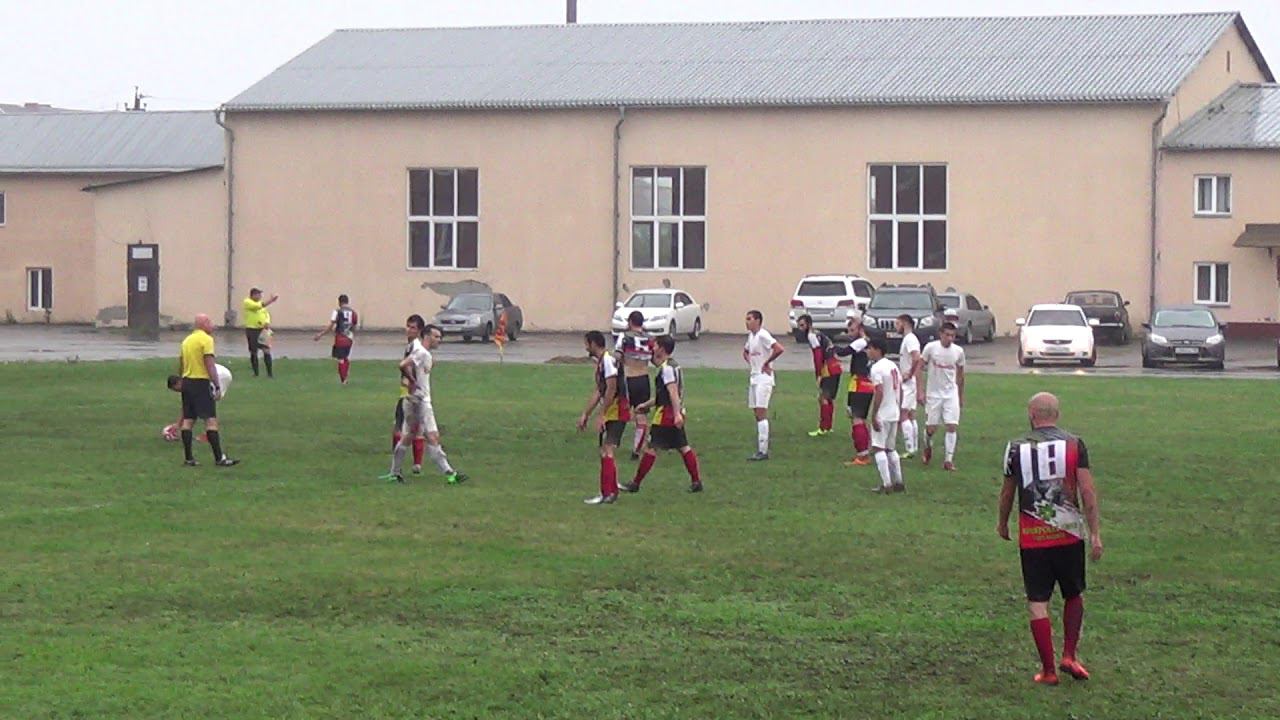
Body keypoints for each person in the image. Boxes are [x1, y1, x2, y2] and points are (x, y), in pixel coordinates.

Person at [998, 392, 1103, 685]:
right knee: (1074, 593)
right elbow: (1087, 491)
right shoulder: (1074, 444)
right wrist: (1095, 533)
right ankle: (1069, 655)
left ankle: (1048, 670)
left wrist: (1002, 523)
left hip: (1033, 537)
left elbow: (1007, 491)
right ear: (1056, 414)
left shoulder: (1015, 447)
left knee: (1038, 601)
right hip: (1069, 533)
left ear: (1032, 414)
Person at [379, 317, 467, 485]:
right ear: (427, 336)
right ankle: (450, 473)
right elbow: (403, 364)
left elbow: (408, 365)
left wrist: (413, 380)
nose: (439, 340)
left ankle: (394, 472)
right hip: (421, 401)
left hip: (412, 399)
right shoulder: (422, 352)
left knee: (408, 436)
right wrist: (413, 381)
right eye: (436, 336)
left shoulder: (420, 350)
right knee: (432, 436)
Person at [621, 334, 702, 494]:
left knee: (650, 448)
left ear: (662, 349)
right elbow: (665, 395)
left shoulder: (667, 369)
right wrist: (646, 405)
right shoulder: (674, 366)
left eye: (656, 345)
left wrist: (676, 414)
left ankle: (635, 483)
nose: (653, 348)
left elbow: (673, 392)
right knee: (683, 447)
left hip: (666, 414)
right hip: (673, 412)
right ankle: (696, 481)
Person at [177, 313, 238, 467]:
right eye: (209, 322)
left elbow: (182, 363)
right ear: (203, 324)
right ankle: (219, 458)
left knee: (188, 421)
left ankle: (188, 458)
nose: (212, 325)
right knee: (211, 421)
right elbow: (209, 363)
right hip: (201, 382)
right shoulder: (206, 340)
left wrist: (183, 380)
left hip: (187, 382)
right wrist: (216, 384)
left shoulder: (187, 340)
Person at [578, 330, 629, 505]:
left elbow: (611, 388)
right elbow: (599, 391)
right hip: (613, 409)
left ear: (593, 344)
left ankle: (608, 493)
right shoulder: (603, 362)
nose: (586, 348)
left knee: (607, 449)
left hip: (617, 410)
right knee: (605, 450)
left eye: (587, 344)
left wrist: (602, 414)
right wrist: (586, 414)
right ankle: (609, 492)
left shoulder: (608, 360)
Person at [918, 322, 966, 470]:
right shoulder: (930, 348)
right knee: (931, 428)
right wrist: (920, 391)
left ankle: (948, 460)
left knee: (951, 425)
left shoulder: (958, 351)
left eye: (952, 335)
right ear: (941, 334)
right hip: (934, 394)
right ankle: (927, 446)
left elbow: (961, 374)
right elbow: (919, 368)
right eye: (947, 335)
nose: (950, 338)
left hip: (950, 393)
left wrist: (960, 396)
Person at [743, 309, 784, 461]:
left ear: (758, 321)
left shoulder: (763, 335)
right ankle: (761, 446)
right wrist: (752, 362)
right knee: (756, 413)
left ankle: (763, 450)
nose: (747, 322)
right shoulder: (751, 336)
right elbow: (745, 351)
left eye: (749, 319)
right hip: (754, 377)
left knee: (761, 412)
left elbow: (779, 348)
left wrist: (767, 362)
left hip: (764, 379)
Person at [866, 338, 904, 493]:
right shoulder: (893, 366)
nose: (868, 352)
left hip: (883, 413)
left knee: (878, 448)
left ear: (877, 350)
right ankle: (899, 481)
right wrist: (899, 409)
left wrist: (874, 414)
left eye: (870, 348)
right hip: (894, 411)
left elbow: (879, 391)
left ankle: (887, 484)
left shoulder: (877, 368)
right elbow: (900, 389)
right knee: (891, 448)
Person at [834, 312, 873, 466]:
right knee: (860, 418)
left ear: (861, 329)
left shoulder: (861, 342)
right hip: (866, 383)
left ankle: (862, 455)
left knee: (857, 418)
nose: (850, 334)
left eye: (852, 330)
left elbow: (842, 352)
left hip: (860, 383)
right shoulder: (868, 343)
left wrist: (829, 347)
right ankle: (866, 449)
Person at [615, 311, 653, 460]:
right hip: (644, 378)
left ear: (630, 322)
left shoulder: (624, 337)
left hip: (629, 378)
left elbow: (617, 356)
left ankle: (612, 441)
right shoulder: (649, 338)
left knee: (621, 412)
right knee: (641, 415)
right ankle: (637, 450)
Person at [798, 314, 843, 437]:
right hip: (836, 365)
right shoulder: (819, 333)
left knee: (823, 397)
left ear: (808, 324)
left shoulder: (811, 336)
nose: (800, 328)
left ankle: (823, 427)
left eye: (802, 325)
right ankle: (829, 426)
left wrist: (818, 374)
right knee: (829, 398)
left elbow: (817, 356)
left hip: (828, 368)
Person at [164, 364, 231, 442]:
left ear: (178, 382)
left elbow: (187, 407)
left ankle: (209, 435)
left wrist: (178, 424)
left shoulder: (188, 384)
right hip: (219, 372)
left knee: (207, 405)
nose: (179, 391)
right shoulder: (188, 379)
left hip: (219, 375)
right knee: (207, 403)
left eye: (176, 389)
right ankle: (210, 433)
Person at [314, 293, 358, 384]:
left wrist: (320, 334)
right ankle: (345, 375)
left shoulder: (337, 311)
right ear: (347, 302)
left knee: (340, 359)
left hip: (340, 338)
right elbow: (354, 327)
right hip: (349, 338)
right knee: (345, 357)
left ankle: (343, 379)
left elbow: (331, 325)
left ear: (339, 302)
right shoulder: (353, 313)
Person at [896, 314, 923, 459]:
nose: (896, 327)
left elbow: (916, 357)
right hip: (910, 382)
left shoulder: (910, 339)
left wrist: (910, 373)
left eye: (897, 323)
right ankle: (914, 447)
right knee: (911, 414)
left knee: (903, 413)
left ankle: (909, 448)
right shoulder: (908, 339)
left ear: (905, 323)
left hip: (908, 382)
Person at [242, 288, 279, 378]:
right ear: (253, 295)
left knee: (266, 350)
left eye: (260, 295)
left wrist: (267, 322)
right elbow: (258, 307)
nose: (260, 296)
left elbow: (266, 314)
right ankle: (256, 373)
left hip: (262, 330)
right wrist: (271, 301)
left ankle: (269, 373)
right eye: (258, 294)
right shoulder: (247, 302)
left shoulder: (261, 305)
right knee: (254, 351)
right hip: (252, 329)